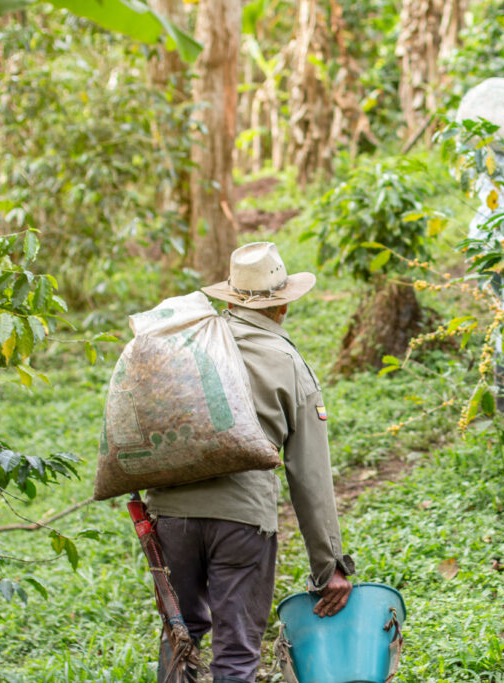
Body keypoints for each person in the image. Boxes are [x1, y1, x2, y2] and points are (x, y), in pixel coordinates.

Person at [145, 242, 354, 683]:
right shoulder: (288, 364)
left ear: (229, 299)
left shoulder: (188, 343)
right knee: (237, 650)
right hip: (243, 525)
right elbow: (310, 476)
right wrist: (329, 566)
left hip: (171, 518)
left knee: (179, 635)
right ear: (282, 307)